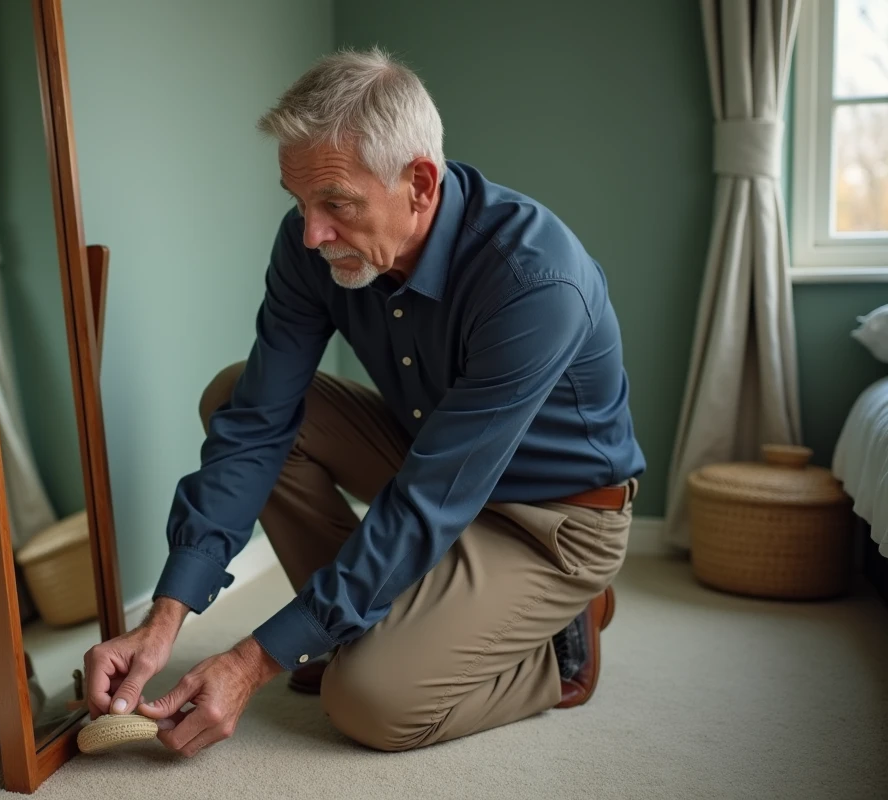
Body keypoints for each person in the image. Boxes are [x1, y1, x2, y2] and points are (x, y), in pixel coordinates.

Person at [82, 47, 645, 758]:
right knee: (233, 393)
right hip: (430, 459)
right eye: (299, 202)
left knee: (369, 704)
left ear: (419, 182)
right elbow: (258, 424)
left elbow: (426, 504)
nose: (312, 232)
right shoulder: (311, 243)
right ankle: (358, 629)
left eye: (336, 205)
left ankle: (557, 649)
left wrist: (255, 659)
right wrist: (163, 619)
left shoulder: (535, 283)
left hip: (549, 520)